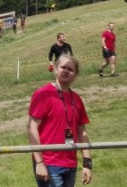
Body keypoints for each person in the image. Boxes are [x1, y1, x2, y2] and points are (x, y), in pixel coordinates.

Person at [28, 54, 93, 187]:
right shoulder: (44, 94)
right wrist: (39, 163)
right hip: (49, 163)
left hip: (70, 164)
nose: (66, 71)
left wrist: (87, 164)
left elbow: (82, 133)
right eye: (63, 67)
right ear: (56, 69)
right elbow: (31, 127)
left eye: (70, 69)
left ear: (75, 74)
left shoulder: (77, 99)